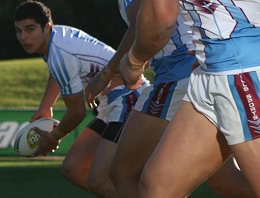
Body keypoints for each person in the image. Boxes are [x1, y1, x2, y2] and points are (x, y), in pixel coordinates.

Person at [85, 0, 255, 197]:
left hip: (202, 71)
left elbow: (158, 20)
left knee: (127, 174)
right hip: (207, 69)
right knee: (161, 186)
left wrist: (129, 63)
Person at [13, 1, 149, 196]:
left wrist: (52, 138)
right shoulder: (56, 38)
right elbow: (57, 73)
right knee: (74, 169)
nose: (24, 37)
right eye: (19, 31)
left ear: (46, 27)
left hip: (130, 98)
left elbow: (77, 113)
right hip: (112, 105)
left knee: (101, 179)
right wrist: (46, 107)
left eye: (30, 29)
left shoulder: (59, 53)